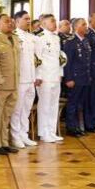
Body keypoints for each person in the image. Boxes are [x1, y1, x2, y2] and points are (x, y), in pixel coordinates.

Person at [0, 14, 19, 155]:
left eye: (11, 21)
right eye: (6, 22)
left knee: (6, 116)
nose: (10, 23)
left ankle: (4, 142)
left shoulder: (15, 38)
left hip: (14, 83)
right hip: (0, 85)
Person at [9, 11, 40, 148]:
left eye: (29, 19)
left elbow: (36, 59)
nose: (29, 21)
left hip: (30, 78)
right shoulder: (13, 36)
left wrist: (36, 76)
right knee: (17, 110)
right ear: (17, 21)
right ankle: (15, 136)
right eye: (26, 19)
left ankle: (24, 134)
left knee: (26, 109)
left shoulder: (31, 37)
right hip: (19, 79)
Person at [35, 14, 64, 143]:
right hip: (45, 77)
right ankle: (43, 133)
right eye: (52, 21)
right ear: (44, 24)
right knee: (44, 105)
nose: (55, 23)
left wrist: (60, 73)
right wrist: (38, 76)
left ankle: (51, 131)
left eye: (55, 20)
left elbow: (59, 57)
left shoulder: (56, 37)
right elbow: (37, 58)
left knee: (53, 105)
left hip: (55, 76)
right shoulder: (39, 38)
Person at [61, 18, 92, 136]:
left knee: (80, 104)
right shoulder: (70, 42)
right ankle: (71, 127)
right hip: (75, 78)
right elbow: (67, 62)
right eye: (83, 24)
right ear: (76, 27)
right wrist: (68, 78)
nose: (86, 26)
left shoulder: (86, 41)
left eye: (86, 24)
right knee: (73, 103)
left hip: (84, 77)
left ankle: (77, 126)